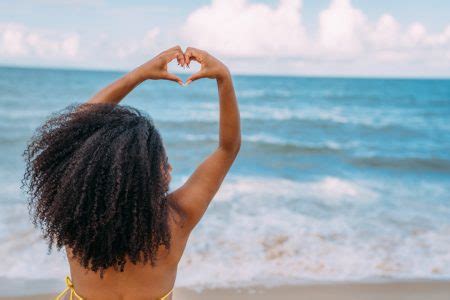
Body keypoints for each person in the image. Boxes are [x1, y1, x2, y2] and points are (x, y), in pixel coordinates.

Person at [22, 46, 241, 300]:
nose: (169, 168)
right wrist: (224, 78)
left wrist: (139, 74)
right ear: (144, 176)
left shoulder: (77, 221)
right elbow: (228, 148)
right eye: (162, 162)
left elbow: (73, 129)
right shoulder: (176, 220)